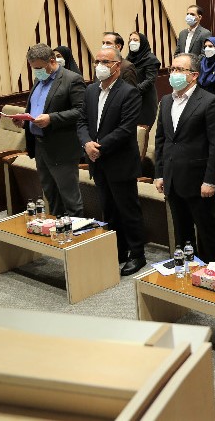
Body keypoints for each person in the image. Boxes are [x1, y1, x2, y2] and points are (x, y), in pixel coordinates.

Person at [77, 47, 146, 275]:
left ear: (117, 65)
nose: (100, 66)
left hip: (120, 161)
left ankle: (137, 254)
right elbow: (81, 122)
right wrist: (87, 144)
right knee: (108, 209)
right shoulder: (90, 91)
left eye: (105, 62)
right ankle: (118, 249)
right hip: (97, 161)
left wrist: (99, 148)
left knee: (128, 210)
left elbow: (126, 129)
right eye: (97, 61)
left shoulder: (129, 92)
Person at [155, 53, 215, 263]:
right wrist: (159, 173)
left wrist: (210, 180)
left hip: (199, 181)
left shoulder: (210, 102)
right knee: (182, 233)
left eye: (179, 70)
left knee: (207, 232)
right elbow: (161, 140)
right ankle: (188, 273)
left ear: (194, 75)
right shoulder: (166, 101)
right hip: (172, 179)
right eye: (172, 69)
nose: (173, 73)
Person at [16, 44, 85, 217]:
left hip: (62, 147)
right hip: (40, 146)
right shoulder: (38, 80)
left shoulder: (72, 79)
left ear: (52, 61)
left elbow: (81, 111)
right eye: (33, 68)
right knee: (51, 195)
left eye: (39, 68)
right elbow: (36, 108)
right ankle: (58, 226)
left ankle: (77, 230)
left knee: (70, 198)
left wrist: (51, 118)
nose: (36, 72)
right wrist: (24, 121)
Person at [125, 32, 160, 127]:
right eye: (130, 40)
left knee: (142, 130)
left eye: (135, 40)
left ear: (143, 42)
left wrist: (134, 91)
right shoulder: (129, 58)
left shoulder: (150, 59)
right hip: (130, 100)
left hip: (145, 100)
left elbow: (150, 80)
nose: (132, 42)